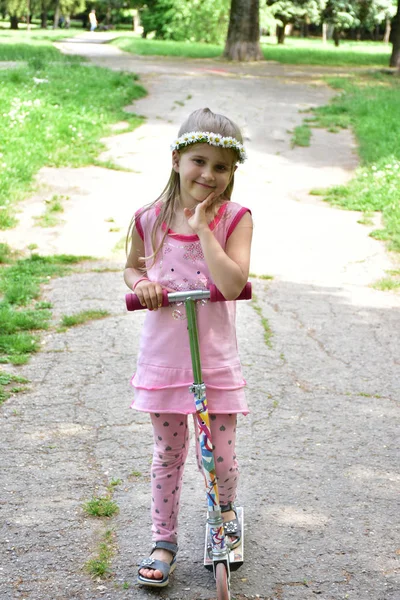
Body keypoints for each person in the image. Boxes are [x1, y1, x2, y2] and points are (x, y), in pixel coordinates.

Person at [124, 107, 253, 588]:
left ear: (232, 172)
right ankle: (164, 540)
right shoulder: (149, 218)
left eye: (221, 167)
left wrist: (203, 228)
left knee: (218, 456)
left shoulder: (234, 219)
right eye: (199, 161)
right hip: (164, 359)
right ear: (177, 158)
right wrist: (142, 284)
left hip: (213, 361)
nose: (209, 174)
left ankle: (222, 518)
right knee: (169, 454)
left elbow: (233, 282)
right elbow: (132, 268)